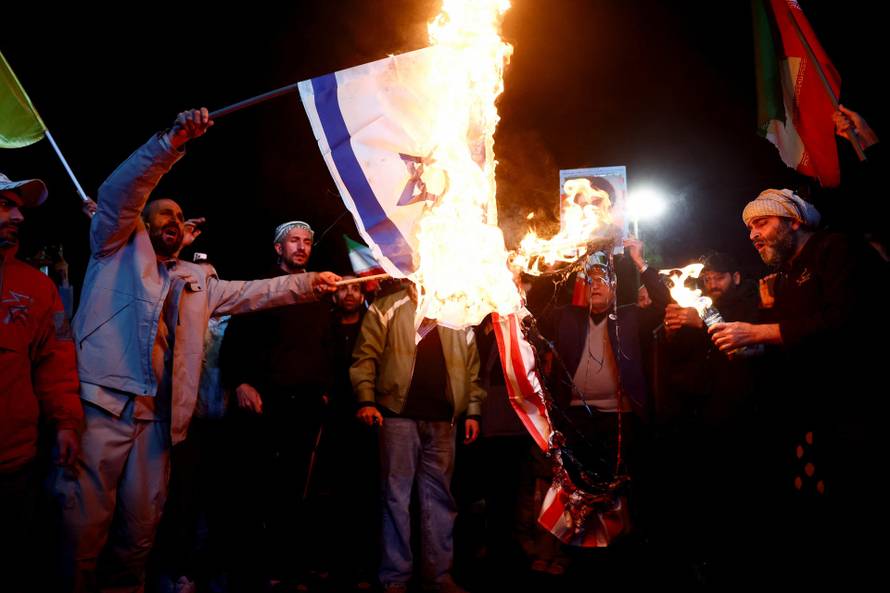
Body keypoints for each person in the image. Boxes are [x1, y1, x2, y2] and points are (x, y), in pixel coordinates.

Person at [58, 108, 338, 593]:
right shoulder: (111, 249)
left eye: (180, 216)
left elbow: (256, 293)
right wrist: (169, 143)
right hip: (102, 408)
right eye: (163, 213)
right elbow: (121, 193)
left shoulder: (195, 281)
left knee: (138, 536)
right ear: (141, 222)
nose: (174, 219)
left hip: (158, 421)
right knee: (80, 532)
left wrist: (311, 283)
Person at [708, 188, 888, 585]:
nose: (753, 234)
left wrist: (761, 329)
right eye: (749, 228)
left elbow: (848, 323)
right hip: (813, 414)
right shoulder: (786, 276)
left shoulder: (836, 250)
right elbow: (789, 343)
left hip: (859, 409)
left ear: (795, 221)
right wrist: (751, 346)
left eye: (762, 222)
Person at [219, 219, 336, 591]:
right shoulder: (262, 289)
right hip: (263, 404)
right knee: (254, 490)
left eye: (306, 242)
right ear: (278, 248)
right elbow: (233, 340)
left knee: (294, 490)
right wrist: (240, 382)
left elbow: (326, 348)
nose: (301, 247)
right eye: (293, 241)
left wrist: (324, 389)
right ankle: (248, 573)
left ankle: (286, 569)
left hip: (303, 406)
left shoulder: (318, 295)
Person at [350, 281, 485, 593]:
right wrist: (366, 400)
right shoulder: (388, 306)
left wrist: (473, 410)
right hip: (396, 415)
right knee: (396, 496)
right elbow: (365, 355)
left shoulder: (457, 310)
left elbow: (472, 366)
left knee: (440, 498)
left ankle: (439, 576)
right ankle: (396, 576)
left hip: (443, 419)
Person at [1, 172, 83, 593]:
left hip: (14, 465)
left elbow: (58, 356)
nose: (17, 215)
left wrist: (67, 421)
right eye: (4, 205)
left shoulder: (42, 289)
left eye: (18, 207)